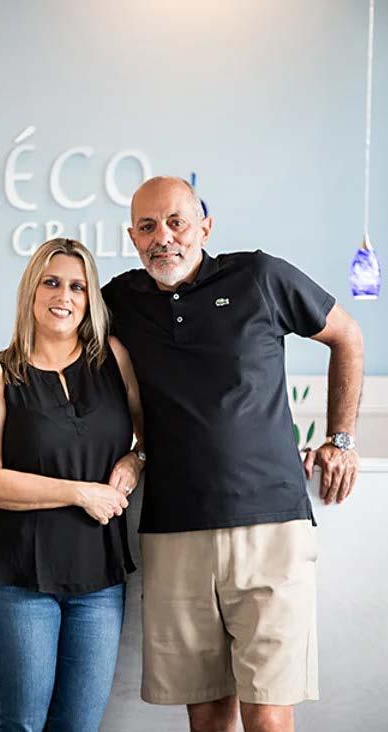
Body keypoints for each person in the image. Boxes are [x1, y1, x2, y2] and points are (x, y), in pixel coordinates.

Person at [100, 176, 363, 732]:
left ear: (205, 227)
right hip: (173, 530)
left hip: (271, 524)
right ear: (132, 237)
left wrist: (340, 440)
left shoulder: (259, 277)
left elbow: (347, 336)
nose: (163, 237)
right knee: (207, 717)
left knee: (268, 714)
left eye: (176, 222)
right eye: (147, 226)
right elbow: (56, 348)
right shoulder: (119, 300)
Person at [0, 237, 145, 732]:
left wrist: (135, 459)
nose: (64, 296)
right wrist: (81, 492)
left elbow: (147, 436)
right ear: (32, 291)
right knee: (21, 723)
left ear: (90, 299)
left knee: (78, 727)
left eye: (78, 287)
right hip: (15, 577)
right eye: (52, 283)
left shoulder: (114, 358)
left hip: (98, 580)